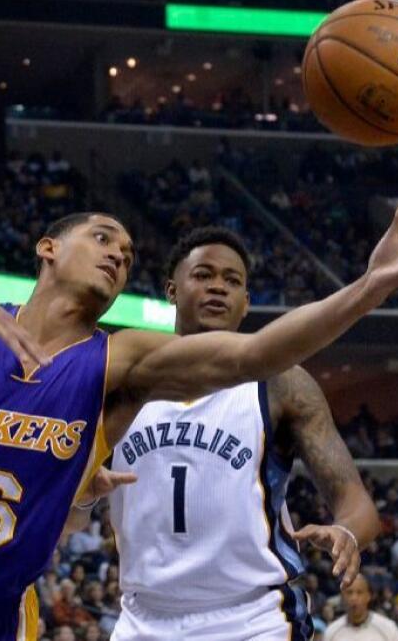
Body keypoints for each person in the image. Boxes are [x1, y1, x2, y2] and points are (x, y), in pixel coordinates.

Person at [0, 202, 398, 640]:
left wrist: (367, 289)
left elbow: (261, 352)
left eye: (127, 252)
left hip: (11, 609)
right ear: (48, 248)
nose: (119, 254)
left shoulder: (121, 360)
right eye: (102, 238)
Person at [99, 228, 379, 640]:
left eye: (232, 281)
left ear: (246, 303)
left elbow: (356, 502)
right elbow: (70, 510)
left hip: (252, 618)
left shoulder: (281, 384)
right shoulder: (120, 383)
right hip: (143, 617)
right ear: (172, 290)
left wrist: (347, 532)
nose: (218, 287)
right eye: (204, 275)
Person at [323, 574, 398, 641]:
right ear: (342, 597)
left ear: (369, 596)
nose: (354, 598)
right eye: (349, 592)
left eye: (359, 592)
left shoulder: (388, 628)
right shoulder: (331, 631)